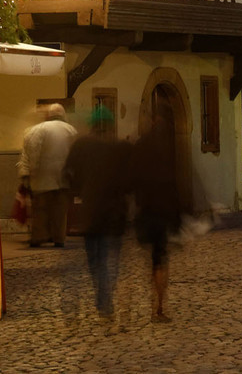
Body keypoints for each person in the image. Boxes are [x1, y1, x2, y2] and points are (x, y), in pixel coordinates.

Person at [68, 101, 129, 322]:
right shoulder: (120, 148)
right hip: (115, 214)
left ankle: (103, 299)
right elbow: (129, 182)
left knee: (95, 259)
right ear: (110, 126)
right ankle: (106, 295)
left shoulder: (81, 145)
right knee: (111, 259)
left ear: (92, 125)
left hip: (91, 213)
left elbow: (68, 173)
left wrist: (79, 191)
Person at [128, 100, 183, 320]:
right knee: (160, 258)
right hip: (164, 209)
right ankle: (159, 306)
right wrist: (178, 215)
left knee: (153, 259)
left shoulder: (142, 144)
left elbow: (131, 179)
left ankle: (155, 303)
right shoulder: (170, 145)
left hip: (147, 209)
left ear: (152, 120)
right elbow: (174, 182)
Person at [18, 101, 74, 249]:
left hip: (42, 179)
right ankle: (59, 238)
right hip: (64, 179)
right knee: (60, 212)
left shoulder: (37, 130)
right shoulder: (71, 131)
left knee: (40, 210)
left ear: (49, 115)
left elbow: (31, 153)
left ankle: (39, 237)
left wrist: (28, 174)